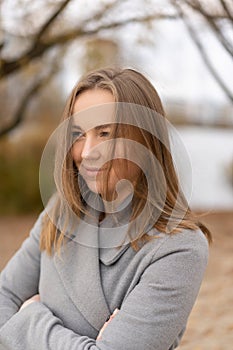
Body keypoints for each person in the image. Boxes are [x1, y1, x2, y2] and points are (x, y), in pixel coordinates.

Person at [0, 67, 211, 350]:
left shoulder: (180, 248)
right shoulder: (60, 212)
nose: (87, 152)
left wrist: (28, 319)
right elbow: (5, 294)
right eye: (78, 133)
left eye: (105, 133)